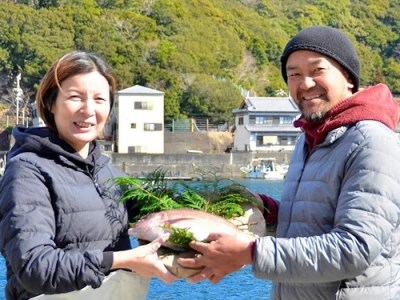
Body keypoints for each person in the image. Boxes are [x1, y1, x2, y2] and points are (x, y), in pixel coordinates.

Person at [178, 25, 400, 299]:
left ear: (348, 77)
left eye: (317, 70)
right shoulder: (309, 139)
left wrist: (249, 253)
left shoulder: (371, 141)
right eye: (294, 75)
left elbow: (354, 248)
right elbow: (314, 221)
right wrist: (270, 212)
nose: (305, 84)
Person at [0, 51, 177, 300]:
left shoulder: (109, 172)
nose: (88, 110)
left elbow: (169, 219)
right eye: (75, 97)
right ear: (50, 103)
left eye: (99, 99)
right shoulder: (27, 171)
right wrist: (123, 259)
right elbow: (34, 267)